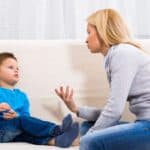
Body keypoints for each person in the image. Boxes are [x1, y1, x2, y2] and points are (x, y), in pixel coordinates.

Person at [55, 8, 150, 150]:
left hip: (147, 125)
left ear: (102, 31)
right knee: (88, 125)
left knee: (90, 141)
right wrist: (76, 109)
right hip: (143, 123)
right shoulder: (116, 55)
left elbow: (115, 111)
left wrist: (89, 137)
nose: (86, 39)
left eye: (89, 32)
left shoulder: (122, 53)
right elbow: (111, 110)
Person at [0, 52, 79, 148]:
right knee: (21, 121)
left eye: (17, 68)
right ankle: (57, 130)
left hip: (16, 133)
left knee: (28, 131)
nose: (16, 71)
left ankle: (57, 141)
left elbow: (26, 117)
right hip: (2, 129)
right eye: (10, 67)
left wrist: (17, 115)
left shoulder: (22, 96)